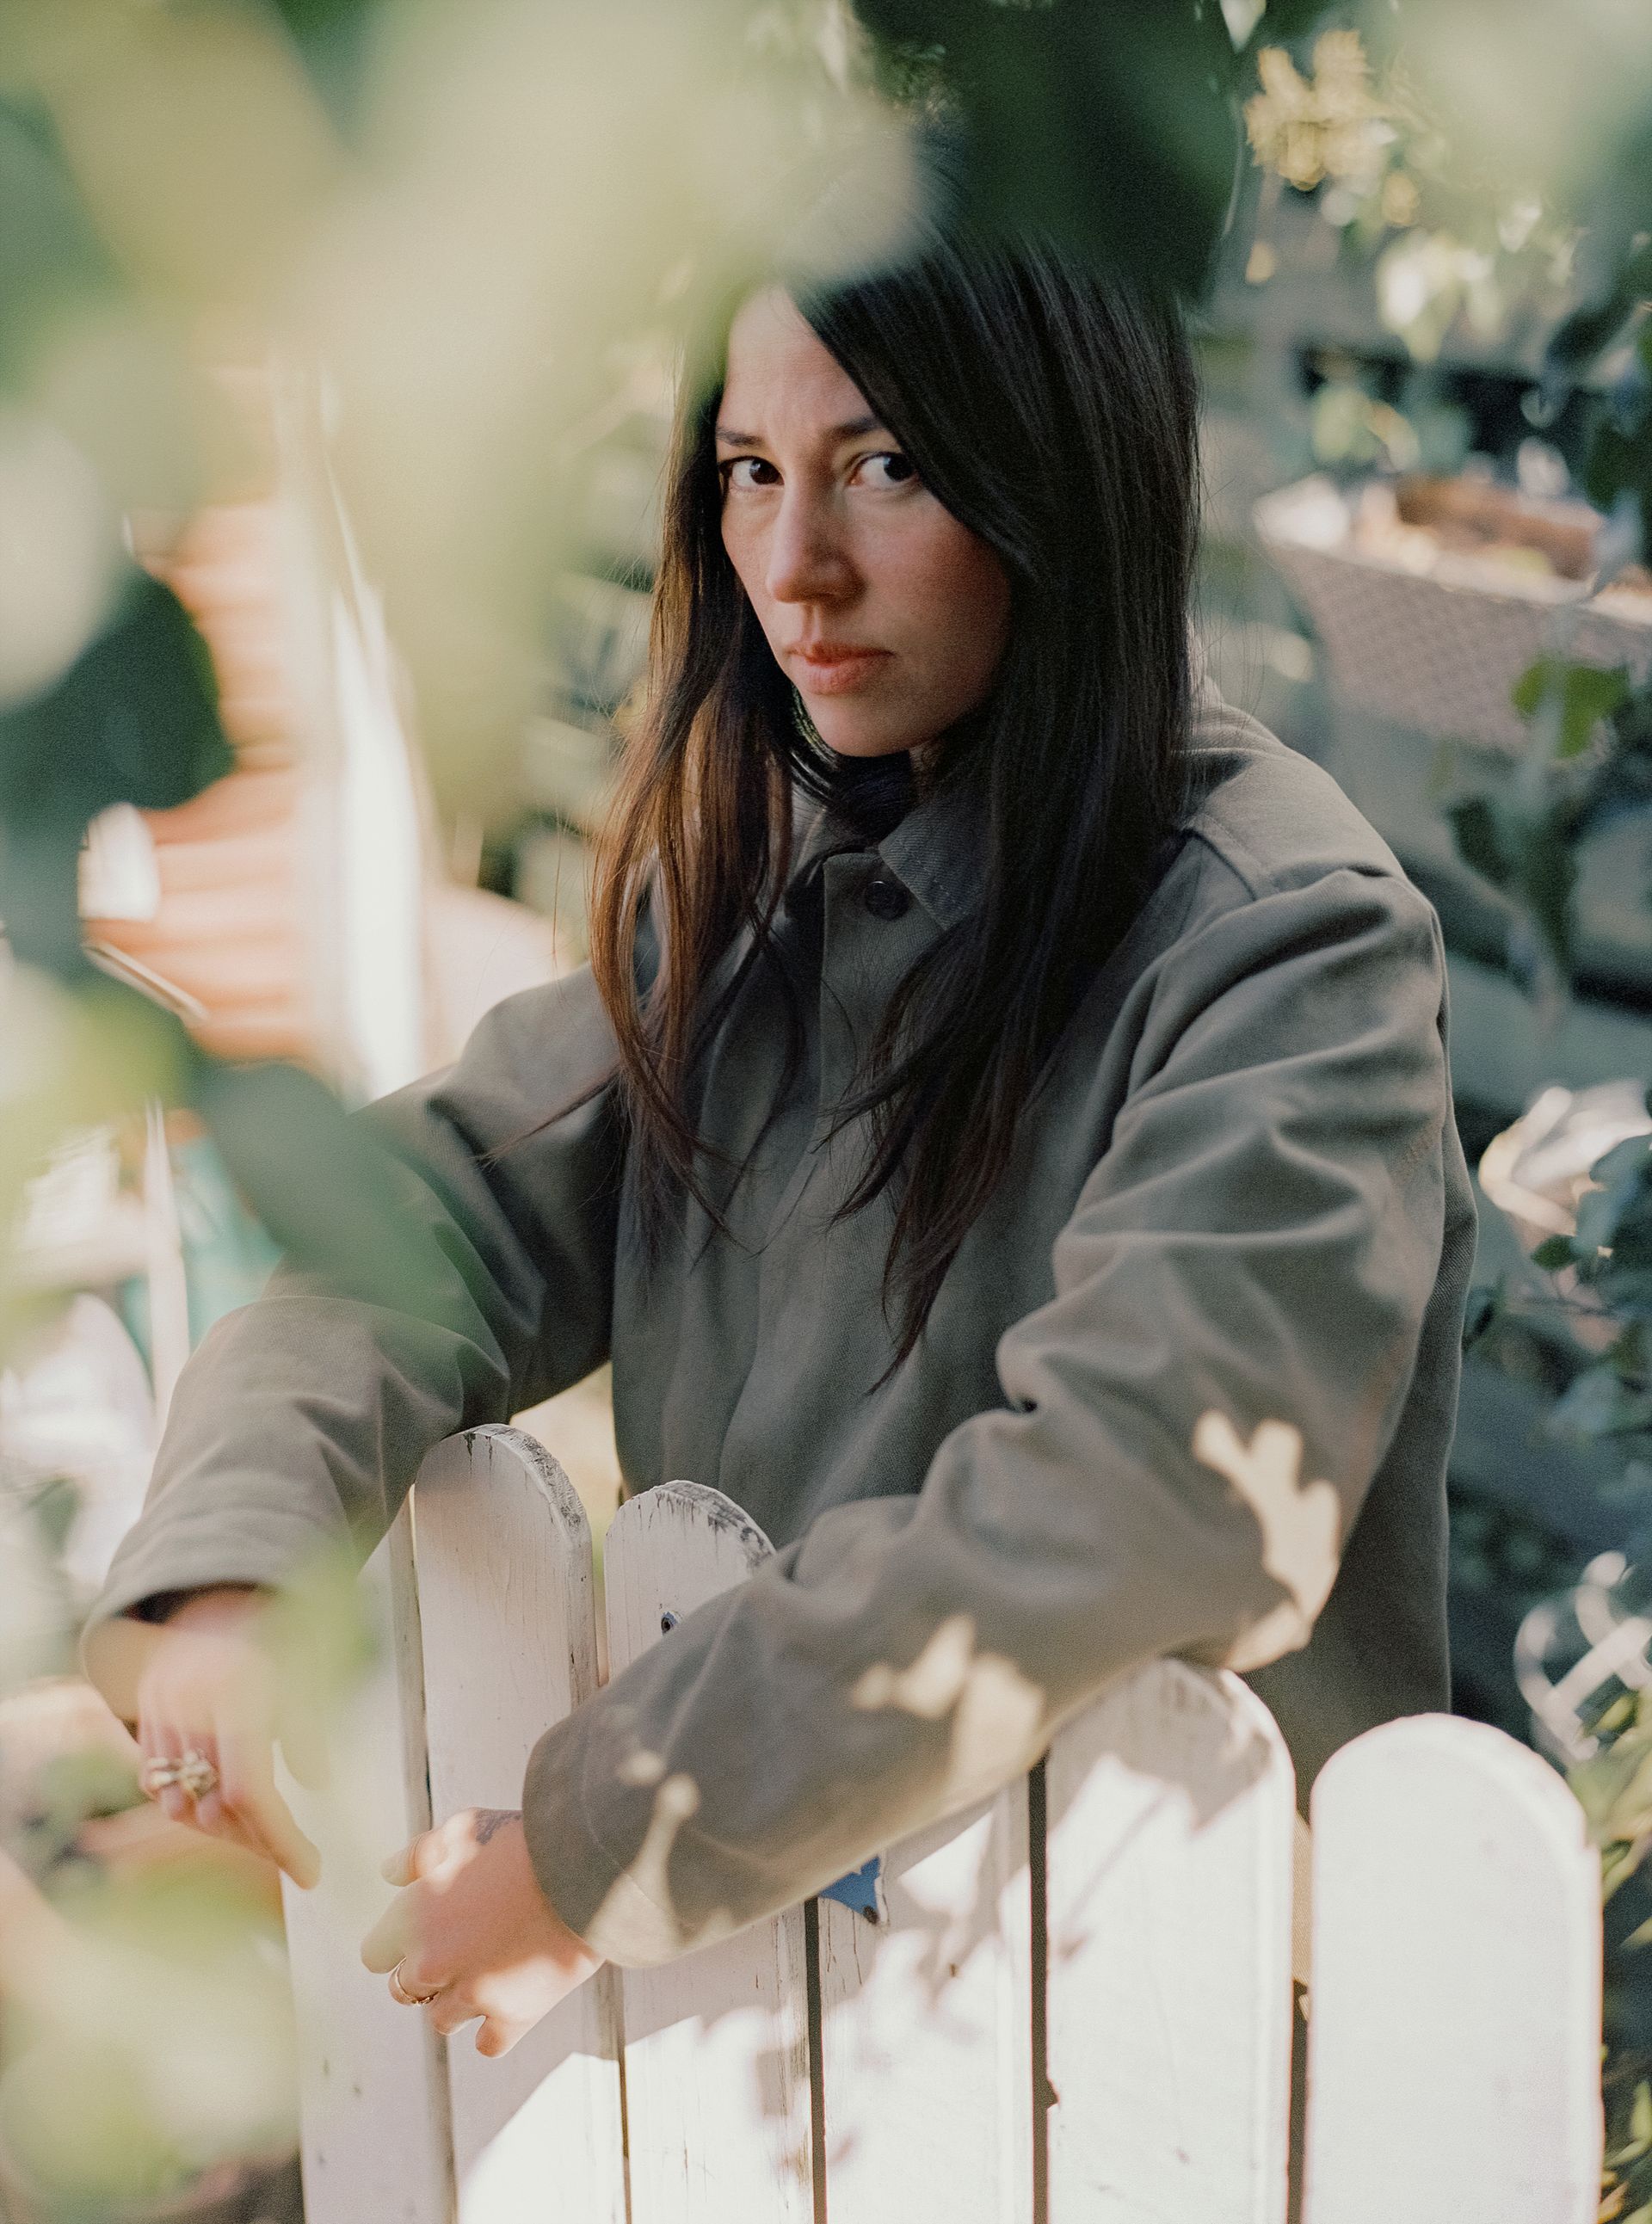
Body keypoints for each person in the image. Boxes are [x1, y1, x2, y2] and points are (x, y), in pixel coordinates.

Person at [83, 219, 1476, 2061]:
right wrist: (232, 1558)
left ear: (1065, 476)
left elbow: (1153, 1487)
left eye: (884, 467)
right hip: (784, 2023)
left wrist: (595, 1843)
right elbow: (440, 1211)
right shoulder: (763, 887)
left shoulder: (1289, 945)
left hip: (1148, 2040)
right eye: (751, 471)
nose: (795, 566)